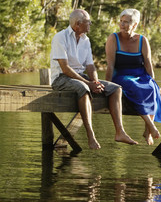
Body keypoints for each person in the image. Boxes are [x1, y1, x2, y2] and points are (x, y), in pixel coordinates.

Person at [50, 9, 138, 150]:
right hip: (61, 79)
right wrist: (88, 84)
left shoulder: (85, 40)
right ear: (78, 24)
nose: (90, 24)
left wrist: (95, 82)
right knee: (83, 88)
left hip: (80, 77)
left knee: (116, 89)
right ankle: (91, 136)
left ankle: (120, 132)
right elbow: (65, 68)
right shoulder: (60, 37)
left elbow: (90, 66)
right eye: (88, 22)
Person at [105, 8, 161, 145]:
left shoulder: (142, 40)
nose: (122, 25)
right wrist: (107, 85)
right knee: (134, 86)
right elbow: (110, 66)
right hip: (121, 76)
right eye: (121, 21)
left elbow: (148, 64)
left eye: (126, 22)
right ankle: (151, 126)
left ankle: (147, 131)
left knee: (152, 88)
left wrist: (152, 80)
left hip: (140, 74)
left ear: (135, 25)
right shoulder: (113, 39)